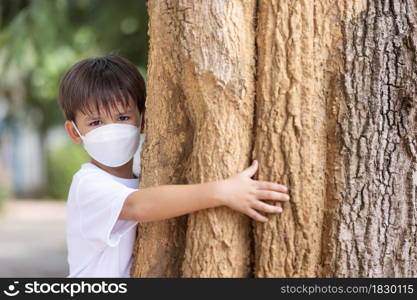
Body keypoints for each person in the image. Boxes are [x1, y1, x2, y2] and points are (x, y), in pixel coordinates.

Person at [58, 55, 290, 278]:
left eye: (122, 118)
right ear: (74, 132)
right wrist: (223, 191)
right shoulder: (87, 184)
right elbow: (137, 207)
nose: (111, 130)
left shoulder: (144, 179)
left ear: (144, 119)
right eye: (96, 122)